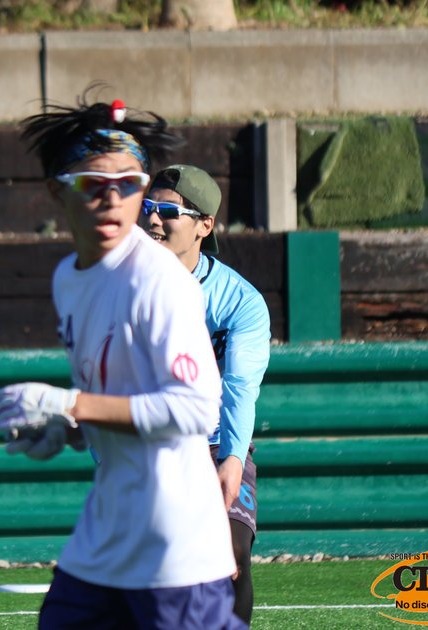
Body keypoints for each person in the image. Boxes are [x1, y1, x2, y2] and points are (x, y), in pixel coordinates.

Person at [0, 92, 249, 630]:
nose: (113, 199)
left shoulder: (161, 282)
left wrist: (72, 404)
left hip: (172, 544)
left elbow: (196, 410)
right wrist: (67, 428)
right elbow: (121, 398)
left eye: (129, 184)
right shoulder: (68, 279)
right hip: (105, 534)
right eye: (92, 184)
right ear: (57, 191)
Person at [139, 164, 271, 625]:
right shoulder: (121, 287)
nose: (153, 219)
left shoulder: (241, 302)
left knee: (231, 556)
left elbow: (240, 387)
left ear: (205, 225)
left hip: (215, 443)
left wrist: (232, 459)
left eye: (168, 211)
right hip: (145, 445)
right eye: (148, 207)